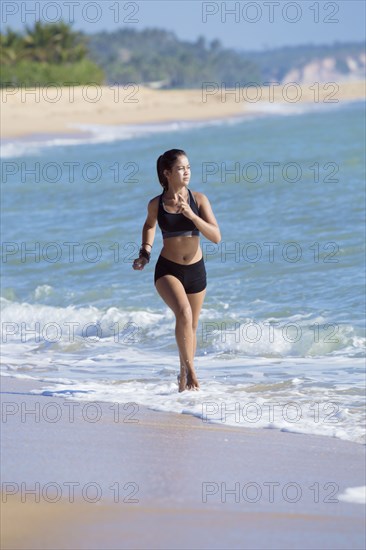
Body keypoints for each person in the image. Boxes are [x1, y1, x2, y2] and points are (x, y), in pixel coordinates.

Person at [132, 149, 221, 392]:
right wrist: (145, 253)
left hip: (196, 270)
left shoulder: (199, 200)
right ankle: (191, 371)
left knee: (191, 326)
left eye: (189, 167)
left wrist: (192, 215)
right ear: (167, 173)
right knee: (183, 313)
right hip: (167, 269)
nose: (187, 172)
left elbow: (216, 237)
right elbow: (149, 225)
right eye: (181, 168)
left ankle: (182, 379)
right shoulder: (156, 204)